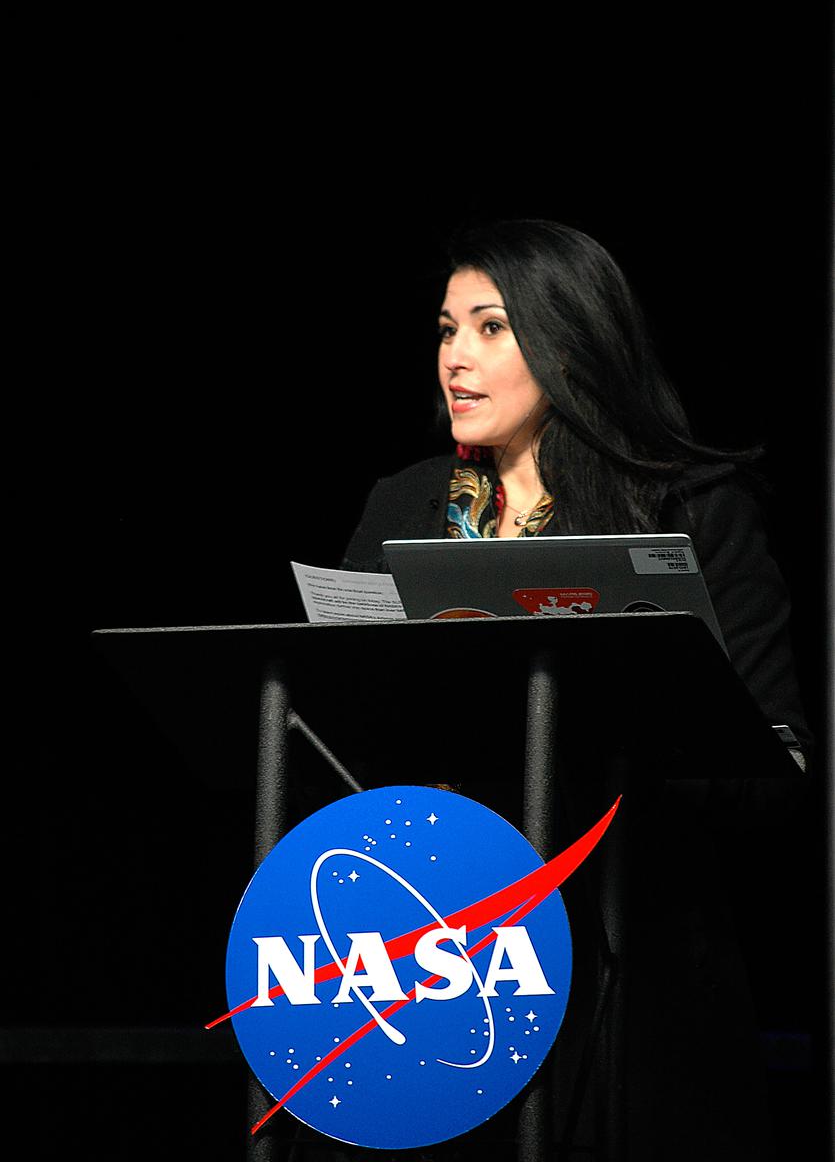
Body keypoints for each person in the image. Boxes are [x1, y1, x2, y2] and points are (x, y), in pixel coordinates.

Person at [340, 218, 812, 1160]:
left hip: (627, 961)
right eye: (444, 330)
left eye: (490, 328)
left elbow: (775, 764)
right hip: (431, 967)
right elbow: (341, 717)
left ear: (568, 341)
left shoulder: (687, 506)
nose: (455, 360)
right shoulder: (405, 503)